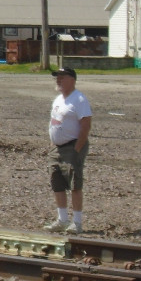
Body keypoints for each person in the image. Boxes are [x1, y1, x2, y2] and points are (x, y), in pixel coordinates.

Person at [44, 67, 92, 234]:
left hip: (72, 147)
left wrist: (77, 148)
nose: (58, 80)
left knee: (74, 184)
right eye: (57, 77)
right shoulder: (58, 99)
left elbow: (86, 124)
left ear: (72, 79)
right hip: (56, 148)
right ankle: (62, 219)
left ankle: (77, 222)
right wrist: (52, 143)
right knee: (56, 183)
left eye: (62, 77)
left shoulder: (79, 99)